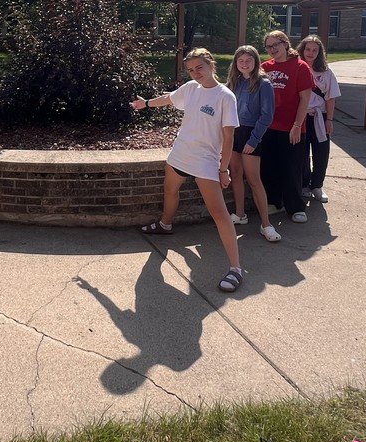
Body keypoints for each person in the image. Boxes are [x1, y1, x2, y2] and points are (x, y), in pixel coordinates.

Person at [131, 48, 244, 293]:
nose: (195, 74)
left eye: (199, 68)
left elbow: (229, 138)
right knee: (170, 190)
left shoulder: (225, 97)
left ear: (211, 64)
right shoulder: (191, 89)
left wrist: (223, 169)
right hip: (180, 153)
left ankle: (236, 268)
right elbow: (169, 98)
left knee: (219, 213)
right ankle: (165, 224)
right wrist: (147, 104)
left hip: (205, 161)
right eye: (191, 70)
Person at [225, 45, 281, 242]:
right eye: (241, 61)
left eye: (248, 60)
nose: (244, 64)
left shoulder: (263, 84)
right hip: (235, 132)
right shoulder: (233, 82)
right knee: (236, 175)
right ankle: (240, 214)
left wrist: (254, 140)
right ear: (236, 63)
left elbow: (267, 116)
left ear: (256, 62)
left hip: (252, 134)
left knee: (254, 179)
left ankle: (266, 224)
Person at [260, 30, 313, 223]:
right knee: (269, 167)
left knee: (292, 168)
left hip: (292, 128)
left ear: (285, 44)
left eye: (276, 44)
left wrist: (298, 125)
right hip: (268, 127)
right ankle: (274, 202)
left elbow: (305, 98)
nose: (273, 49)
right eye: (269, 46)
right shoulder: (264, 67)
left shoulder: (300, 67)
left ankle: (296, 207)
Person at [296, 34, 341, 203]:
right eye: (308, 49)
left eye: (315, 50)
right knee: (301, 153)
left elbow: (330, 97)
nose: (311, 52)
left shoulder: (326, 72)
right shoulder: (297, 68)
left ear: (319, 52)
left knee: (321, 152)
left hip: (319, 117)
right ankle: (304, 184)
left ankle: (317, 185)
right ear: (302, 49)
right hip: (301, 116)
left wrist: (329, 119)